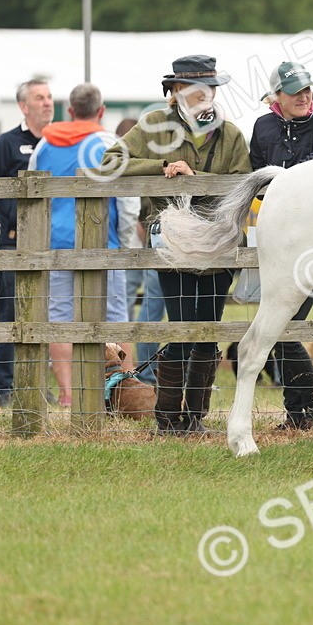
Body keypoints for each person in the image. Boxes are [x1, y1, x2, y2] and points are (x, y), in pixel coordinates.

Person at [101, 55, 250, 436]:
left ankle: (195, 418)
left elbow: (242, 183)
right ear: (177, 91)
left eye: (211, 88)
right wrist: (162, 165)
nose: (207, 95)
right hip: (171, 238)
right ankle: (168, 418)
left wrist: (195, 175)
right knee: (182, 325)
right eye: (198, 88)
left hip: (218, 240)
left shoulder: (231, 134)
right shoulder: (154, 125)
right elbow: (109, 162)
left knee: (208, 328)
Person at [29, 83, 139, 408]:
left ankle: (67, 394)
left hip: (56, 244)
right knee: (116, 317)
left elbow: (33, 193)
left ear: (70, 110)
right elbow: (128, 200)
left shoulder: (44, 144)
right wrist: (124, 241)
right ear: (101, 111)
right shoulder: (110, 144)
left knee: (60, 319)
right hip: (104, 242)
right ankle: (124, 391)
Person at [247, 61, 313, 428]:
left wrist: (278, 185)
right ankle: (307, 411)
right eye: (295, 91)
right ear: (276, 97)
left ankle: (307, 410)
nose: (304, 97)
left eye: (307, 89)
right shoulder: (263, 127)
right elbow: (255, 174)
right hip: (284, 237)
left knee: (288, 323)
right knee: (284, 324)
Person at [0, 79, 53, 406]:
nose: (47, 103)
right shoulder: (8, 143)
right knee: (9, 314)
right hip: (12, 243)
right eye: (39, 98)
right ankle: (5, 388)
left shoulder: (57, 141)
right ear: (23, 106)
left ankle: (37, 384)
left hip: (53, 243)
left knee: (44, 317)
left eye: (49, 97)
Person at [117, 117, 165, 384]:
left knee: (126, 306)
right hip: (144, 244)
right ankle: (142, 372)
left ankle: (128, 369)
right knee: (147, 307)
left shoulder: (128, 163)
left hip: (133, 244)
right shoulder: (149, 162)